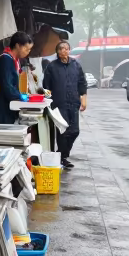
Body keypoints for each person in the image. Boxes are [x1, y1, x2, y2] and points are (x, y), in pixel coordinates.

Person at [43, 39, 88, 168]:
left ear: (69, 50)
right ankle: (63, 158)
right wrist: (48, 102)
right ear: (57, 51)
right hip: (58, 104)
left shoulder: (75, 65)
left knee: (74, 131)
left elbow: (82, 82)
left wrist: (83, 99)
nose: (64, 50)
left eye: (66, 48)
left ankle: (62, 154)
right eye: (61, 48)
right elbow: (46, 86)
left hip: (73, 103)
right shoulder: (51, 67)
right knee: (62, 131)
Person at [0, 31, 34, 125]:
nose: (27, 52)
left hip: (8, 106)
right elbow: (7, 86)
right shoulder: (5, 60)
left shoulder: (15, 61)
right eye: (26, 48)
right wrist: (21, 97)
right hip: (1, 108)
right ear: (17, 46)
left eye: (29, 50)